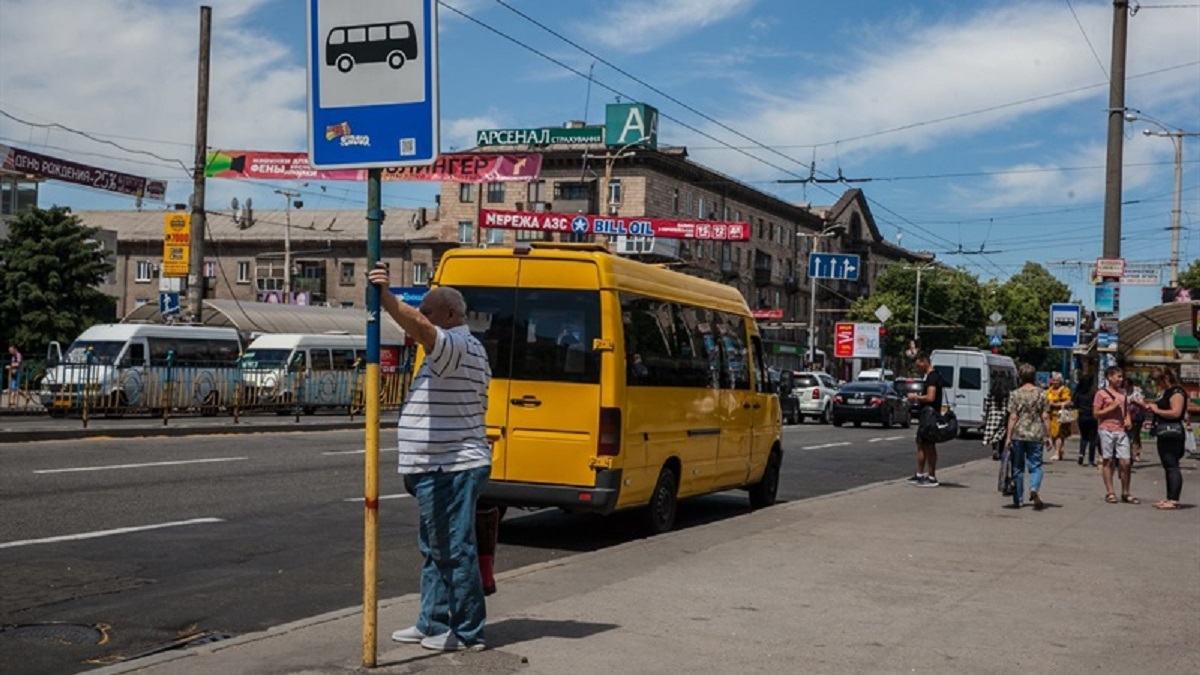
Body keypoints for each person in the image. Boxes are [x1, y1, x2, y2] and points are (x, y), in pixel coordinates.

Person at [368, 265, 493, 652]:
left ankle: (468, 633)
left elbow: (421, 328)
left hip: (450, 466)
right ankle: (433, 622)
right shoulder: (453, 349)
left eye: (430, 312)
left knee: (455, 551)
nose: (423, 319)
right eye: (422, 311)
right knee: (437, 549)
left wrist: (387, 297)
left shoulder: (456, 345)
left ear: (452, 316)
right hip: (438, 465)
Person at [1004, 363, 1052, 509]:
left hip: (1018, 434)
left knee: (1018, 468)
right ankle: (1034, 488)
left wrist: (1008, 437)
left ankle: (1018, 500)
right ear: (1034, 376)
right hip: (1036, 434)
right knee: (1036, 466)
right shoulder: (1042, 394)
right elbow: (1045, 416)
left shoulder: (1015, 394)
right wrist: (1048, 435)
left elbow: (1013, 416)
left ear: (1020, 376)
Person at [1143, 366, 1188, 510]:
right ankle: (1169, 497)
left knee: (1172, 465)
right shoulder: (1167, 392)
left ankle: (1174, 499)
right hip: (1164, 431)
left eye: (1159, 381)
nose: (1158, 385)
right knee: (1168, 466)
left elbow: (1176, 413)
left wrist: (1157, 410)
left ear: (1166, 379)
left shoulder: (1176, 392)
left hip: (1172, 432)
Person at [1094, 366, 1139, 505]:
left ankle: (1126, 492)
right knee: (1107, 460)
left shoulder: (1123, 393)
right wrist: (1110, 408)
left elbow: (1125, 410)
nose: (1121, 379)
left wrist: (1128, 419)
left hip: (1121, 430)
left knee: (1125, 462)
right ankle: (1110, 492)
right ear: (1110, 377)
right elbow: (1096, 414)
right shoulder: (1101, 394)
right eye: (1118, 376)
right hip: (1106, 429)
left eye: (1121, 376)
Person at [905, 352, 946, 487]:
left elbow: (930, 397)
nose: (918, 368)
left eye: (919, 365)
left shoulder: (932, 377)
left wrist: (915, 397)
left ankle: (932, 476)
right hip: (927, 414)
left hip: (930, 415)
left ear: (925, 362)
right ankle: (919, 474)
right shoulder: (931, 376)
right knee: (921, 443)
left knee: (929, 445)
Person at [1045, 372, 1072, 461]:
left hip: (1060, 415)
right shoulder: (1049, 390)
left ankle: (1057, 453)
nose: (1055, 382)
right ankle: (1059, 451)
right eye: (1054, 380)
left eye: (1057, 380)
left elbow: (1068, 402)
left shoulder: (1065, 390)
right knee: (1052, 435)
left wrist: (1056, 404)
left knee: (1059, 435)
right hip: (1050, 415)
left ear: (1061, 381)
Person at [982, 376, 1010, 460]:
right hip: (1003, 416)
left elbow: (987, 405)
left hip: (992, 416)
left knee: (993, 435)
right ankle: (1001, 451)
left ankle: (994, 449)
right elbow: (1009, 407)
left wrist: (986, 416)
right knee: (1002, 435)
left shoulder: (991, 394)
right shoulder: (1007, 394)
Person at [1073, 376, 1098, 467]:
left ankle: (1081, 454)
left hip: (1082, 416)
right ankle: (1091, 459)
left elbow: (1075, 405)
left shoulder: (1078, 393)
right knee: (1092, 438)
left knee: (1084, 437)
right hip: (1092, 416)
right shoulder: (1094, 393)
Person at [1124, 378, 1146, 462]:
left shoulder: (1137, 392)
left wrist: (1135, 402)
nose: (1126, 387)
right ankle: (1128, 452)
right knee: (1127, 435)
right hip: (1126, 416)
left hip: (1136, 416)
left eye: (1128, 386)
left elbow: (1143, 404)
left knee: (1135, 435)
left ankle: (1136, 453)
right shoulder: (1122, 392)